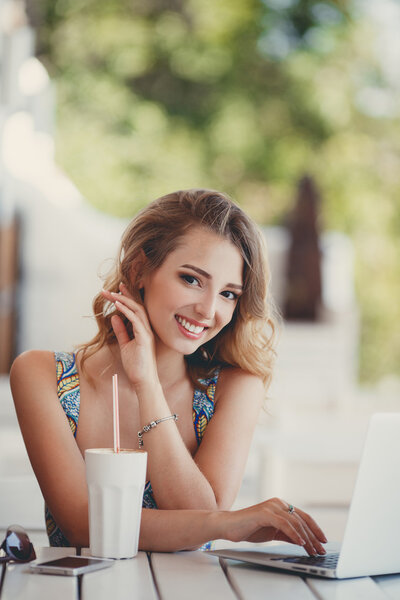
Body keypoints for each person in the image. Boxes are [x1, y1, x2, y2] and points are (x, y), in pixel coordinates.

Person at [10, 188, 327, 554]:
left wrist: (148, 386)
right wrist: (229, 522)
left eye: (229, 294)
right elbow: (84, 525)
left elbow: (200, 520)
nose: (209, 310)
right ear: (139, 270)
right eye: (192, 279)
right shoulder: (41, 375)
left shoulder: (236, 385)